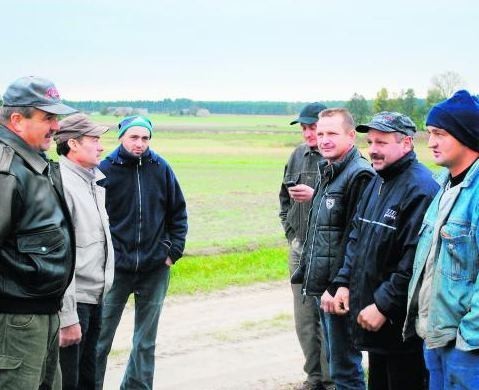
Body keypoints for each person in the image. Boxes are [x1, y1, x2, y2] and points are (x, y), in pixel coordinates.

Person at [331, 112, 439, 390]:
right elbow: (357, 234)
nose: (374, 149)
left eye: (382, 142)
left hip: (401, 328)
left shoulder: (421, 188)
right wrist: (343, 283)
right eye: (371, 142)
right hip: (374, 322)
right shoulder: (377, 180)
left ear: (406, 144)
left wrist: (383, 305)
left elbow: (415, 261)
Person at [96, 115, 188, 389]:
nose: (140, 144)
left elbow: (178, 213)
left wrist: (173, 251)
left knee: (145, 342)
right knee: (100, 339)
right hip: (115, 270)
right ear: (122, 137)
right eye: (134, 137)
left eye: (145, 138)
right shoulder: (104, 170)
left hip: (154, 268)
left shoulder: (161, 168)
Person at [0, 76, 77, 389]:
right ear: (17, 120)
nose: (56, 126)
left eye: (56, 118)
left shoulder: (32, 162)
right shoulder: (7, 171)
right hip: (17, 319)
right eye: (48, 118)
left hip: (43, 311)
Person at [292, 108, 375, 390]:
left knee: (345, 369)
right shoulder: (331, 171)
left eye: (332, 134)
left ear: (351, 136)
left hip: (339, 291)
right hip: (325, 287)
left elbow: (356, 239)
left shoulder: (358, 175)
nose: (323, 139)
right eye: (321, 133)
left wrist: (340, 284)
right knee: (338, 365)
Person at [404, 90, 479, 389]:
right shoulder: (442, 186)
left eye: (440, 134)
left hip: (467, 347)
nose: (431, 142)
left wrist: (469, 336)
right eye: (429, 133)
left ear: (468, 135)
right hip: (437, 337)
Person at [54, 113, 115, 389]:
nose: (101, 146)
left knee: (89, 379)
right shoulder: (63, 185)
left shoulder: (90, 181)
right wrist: (67, 316)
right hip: (75, 303)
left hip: (94, 299)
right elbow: (60, 257)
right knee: (70, 380)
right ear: (73, 144)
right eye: (94, 139)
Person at [279, 102, 333, 390]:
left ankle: (333, 379)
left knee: (330, 320)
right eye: (305, 128)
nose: (309, 134)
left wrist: (316, 196)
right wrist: (291, 234)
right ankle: (314, 378)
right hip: (300, 249)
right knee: (304, 320)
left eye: (313, 127)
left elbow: (349, 206)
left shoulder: (340, 159)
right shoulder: (297, 155)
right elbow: (284, 198)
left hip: (328, 252)